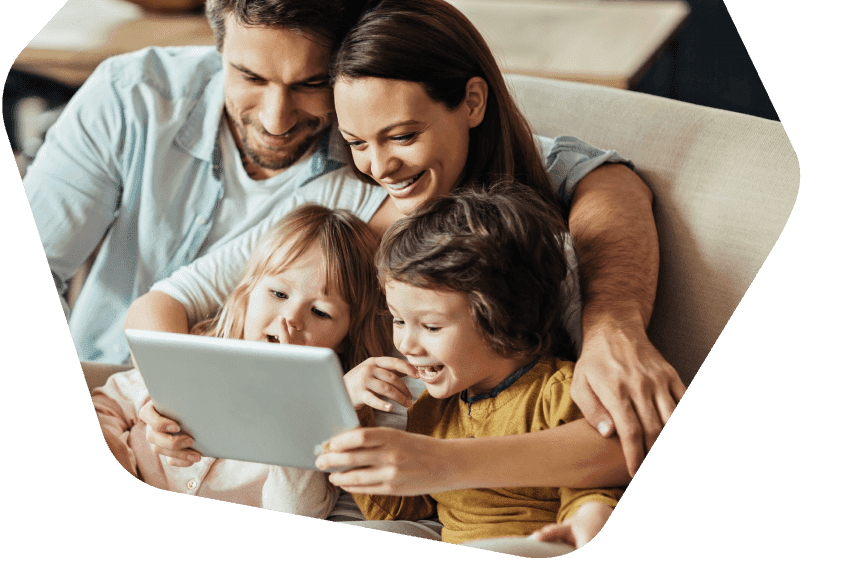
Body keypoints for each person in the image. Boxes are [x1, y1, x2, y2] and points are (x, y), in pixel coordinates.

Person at [129, 0, 684, 479]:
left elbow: (618, 437)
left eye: (402, 136)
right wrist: (172, 401)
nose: (380, 166)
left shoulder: (521, 249)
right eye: (357, 143)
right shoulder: (339, 200)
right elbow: (166, 303)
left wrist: (435, 463)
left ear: (472, 102)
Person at [23, 0, 379, 365]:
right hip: (93, 378)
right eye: (251, 77)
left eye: (311, 84)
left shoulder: (371, 170)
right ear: (218, 46)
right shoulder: (131, 95)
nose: (276, 121)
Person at [340, 182, 623, 549]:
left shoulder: (557, 392)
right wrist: (352, 417)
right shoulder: (433, 409)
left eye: (430, 326)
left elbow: (593, 482)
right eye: (397, 320)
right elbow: (401, 509)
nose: (405, 344)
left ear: (502, 318)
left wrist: (589, 516)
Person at [93, 204, 390, 515]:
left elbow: (296, 511)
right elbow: (106, 405)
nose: (291, 318)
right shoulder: (193, 359)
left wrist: (295, 404)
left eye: (320, 312)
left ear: (344, 341)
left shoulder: (326, 425)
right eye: (278, 294)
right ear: (248, 295)